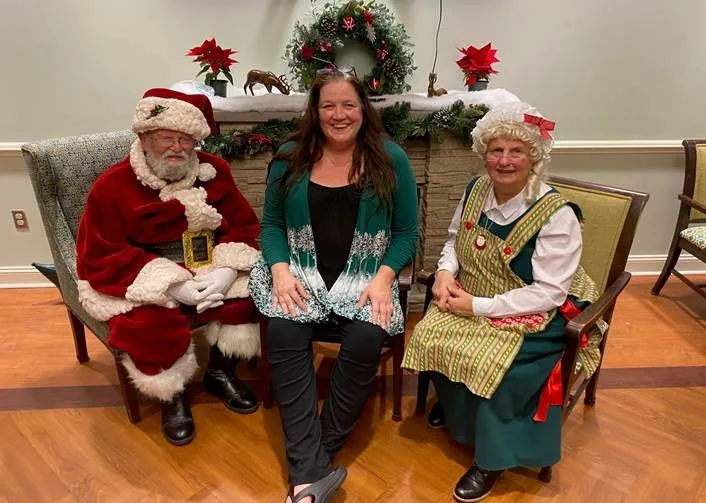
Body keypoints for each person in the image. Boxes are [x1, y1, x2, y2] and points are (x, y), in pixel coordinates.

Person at [403, 101, 602, 502]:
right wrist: (444, 273)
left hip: (535, 311)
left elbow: (549, 293)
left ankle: (491, 460)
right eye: (496, 150)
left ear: (535, 157)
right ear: (484, 153)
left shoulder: (555, 215)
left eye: (517, 151)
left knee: (497, 363)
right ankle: (461, 413)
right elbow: (455, 241)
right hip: (472, 293)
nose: (505, 160)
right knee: (430, 333)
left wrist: (476, 306)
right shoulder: (476, 189)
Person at [248, 70, 418, 503]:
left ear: (363, 109)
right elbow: (271, 226)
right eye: (328, 106)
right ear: (315, 111)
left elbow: (404, 235)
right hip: (300, 274)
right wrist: (281, 272)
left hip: (365, 279)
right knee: (285, 331)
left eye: (348, 105)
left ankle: (308, 469)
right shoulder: (289, 155)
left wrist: (384, 280)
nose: (338, 115)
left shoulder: (391, 158)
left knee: (364, 339)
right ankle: (312, 478)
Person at [76, 88, 262, 446]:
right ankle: (172, 393)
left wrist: (225, 271)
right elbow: (100, 254)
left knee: (250, 298)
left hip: (209, 264)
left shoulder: (216, 172)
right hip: (142, 275)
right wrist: (171, 285)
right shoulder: (111, 187)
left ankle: (220, 373)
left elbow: (243, 226)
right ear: (144, 137)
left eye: (185, 140)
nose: (177, 147)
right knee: (149, 324)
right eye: (166, 138)